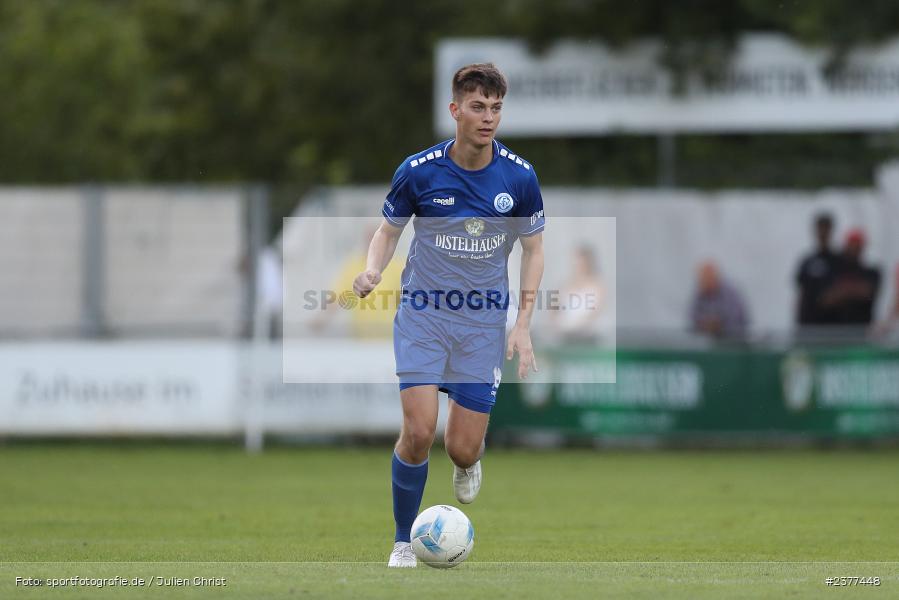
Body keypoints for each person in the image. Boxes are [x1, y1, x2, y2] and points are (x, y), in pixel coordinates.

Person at [352, 63, 545, 568]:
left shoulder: (519, 178)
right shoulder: (419, 171)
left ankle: (468, 462)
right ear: (455, 109)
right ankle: (401, 542)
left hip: (481, 323)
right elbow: (388, 232)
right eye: (478, 107)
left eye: (496, 108)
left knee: (461, 448)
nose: (488, 118)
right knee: (418, 432)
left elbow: (535, 249)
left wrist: (522, 323)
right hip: (423, 314)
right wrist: (374, 270)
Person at [820, 228, 881, 325]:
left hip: (860, 330)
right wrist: (854, 290)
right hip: (833, 329)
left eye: (857, 246)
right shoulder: (834, 271)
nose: (854, 250)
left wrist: (843, 290)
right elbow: (825, 300)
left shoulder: (871, 272)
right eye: (852, 245)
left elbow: (868, 293)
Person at [795, 212, 840, 326]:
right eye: (821, 228)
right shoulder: (807, 261)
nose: (823, 233)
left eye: (826, 228)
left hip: (833, 324)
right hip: (810, 324)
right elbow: (801, 293)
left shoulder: (839, 261)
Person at [552, 244, 604, 342]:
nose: (578, 264)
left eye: (581, 261)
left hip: (588, 335)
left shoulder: (597, 285)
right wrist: (556, 324)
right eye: (576, 261)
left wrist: (576, 325)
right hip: (565, 335)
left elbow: (596, 311)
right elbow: (553, 309)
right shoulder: (565, 284)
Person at [689, 261, 749, 339]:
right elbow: (693, 318)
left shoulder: (730, 294)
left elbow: (736, 320)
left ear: (715, 277)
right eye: (703, 279)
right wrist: (704, 324)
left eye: (708, 278)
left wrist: (719, 324)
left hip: (733, 341)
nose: (705, 281)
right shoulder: (699, 294)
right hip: (706, 341)